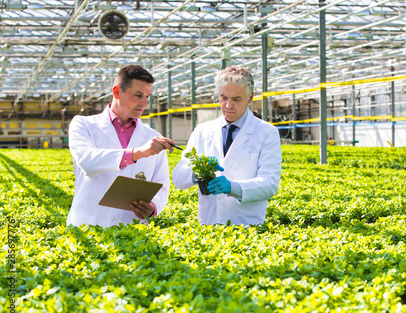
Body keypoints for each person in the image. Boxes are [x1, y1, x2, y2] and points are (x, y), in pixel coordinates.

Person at [67, 65, 175, 228]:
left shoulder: (152, 137)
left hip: (133, 229)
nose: (144, 102)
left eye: (147, 96)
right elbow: (87, 162)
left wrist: (153, 207)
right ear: (117, 92)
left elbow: (162, 185)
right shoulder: (83, 125)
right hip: (89, 225)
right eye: (138, 95)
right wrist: (139, 153)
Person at [172, 65, 282, 226]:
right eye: (223, 98)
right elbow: (178, 178)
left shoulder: (267, 132)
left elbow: (269, 184)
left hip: (247, 227)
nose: (228, 105)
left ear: (250, 98)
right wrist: (197, 170)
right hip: (208, 226)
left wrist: (233, 187)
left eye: (236, 99)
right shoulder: (202, 131)